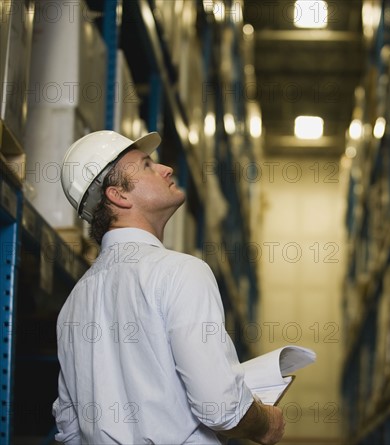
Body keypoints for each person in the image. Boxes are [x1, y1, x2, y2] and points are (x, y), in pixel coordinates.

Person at [52, 130, 285, 444]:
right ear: (118, 196)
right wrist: (265, 423)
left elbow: (69, 429)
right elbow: (221, 409)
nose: (167, 169)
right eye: (147, 165)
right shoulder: (181, 273)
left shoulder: (73, 304)